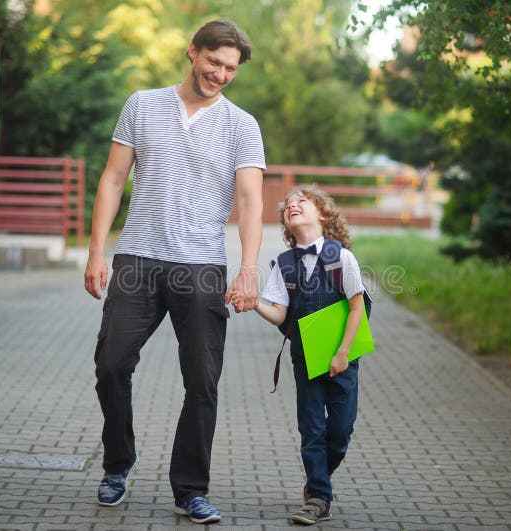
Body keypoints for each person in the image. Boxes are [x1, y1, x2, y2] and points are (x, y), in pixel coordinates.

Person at [83, 19, 265, 524]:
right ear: (192, 52)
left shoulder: (242, 126)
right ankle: (118, 464)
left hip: (202, 265)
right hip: (138, 257)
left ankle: (190, 490)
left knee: (202, 382)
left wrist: (248, 270)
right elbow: (114, 178)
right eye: (214, 62)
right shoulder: (142, 104)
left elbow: (251, 203)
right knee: (112, 365)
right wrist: (97, 251)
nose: (221, 74)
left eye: (230, 68)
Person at [231, 186, 366, 525]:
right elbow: (279, 314)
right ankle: (319, 497)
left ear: (323, 214)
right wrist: (254, 303)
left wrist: (343, 353)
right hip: (304, 357)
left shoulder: (341, 256)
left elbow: (356, 308)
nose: (292, 206)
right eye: (288, 205)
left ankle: (318, 478)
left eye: (301, 202)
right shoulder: (284, 264)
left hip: (341, 359)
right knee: (311, 429)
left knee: (341, 431)